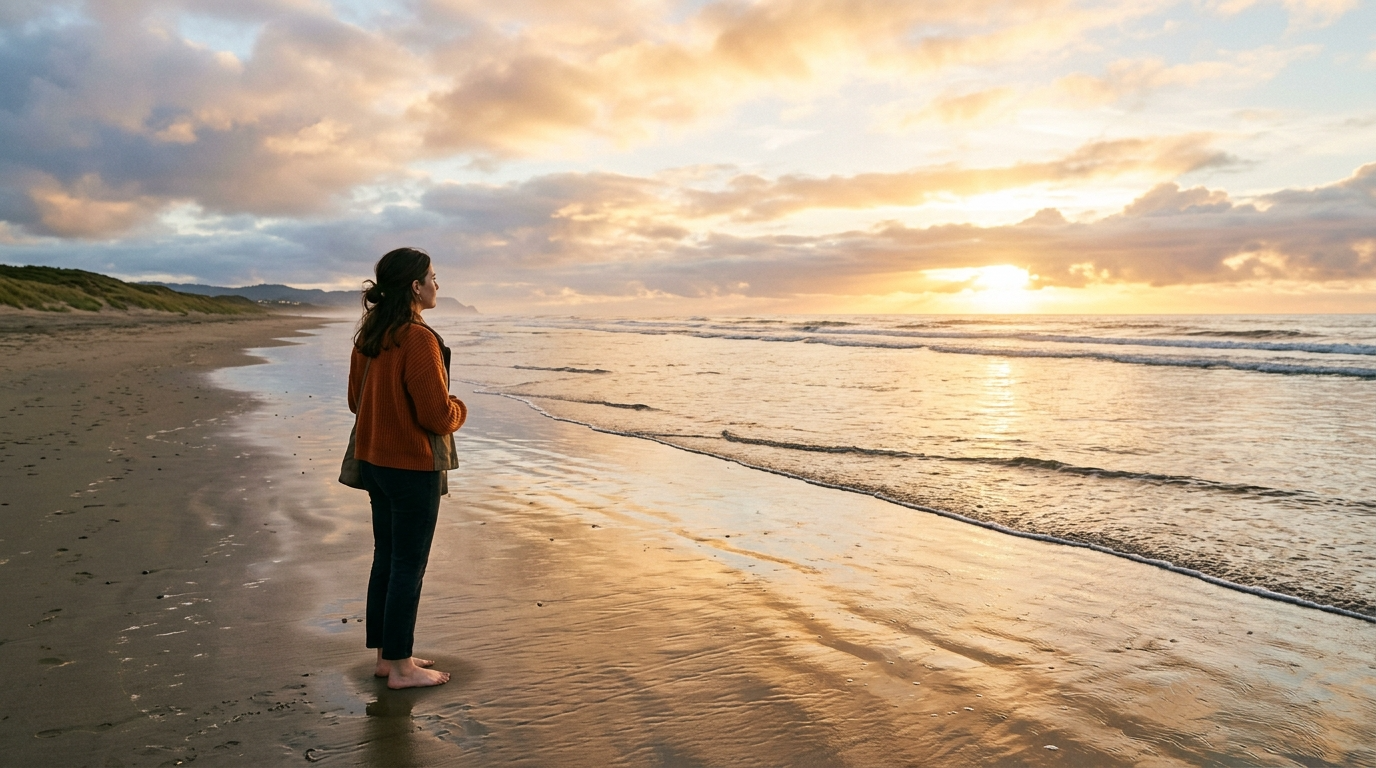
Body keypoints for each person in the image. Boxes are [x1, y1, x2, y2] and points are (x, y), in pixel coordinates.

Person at [347, 247, 467, 689]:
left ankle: (386, 656)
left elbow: (355, 402)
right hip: (411, 467)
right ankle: (400, 668)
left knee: (388, 557)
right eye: (433, 277)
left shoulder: (371, 334)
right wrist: (460, 409)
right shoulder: (418, 338)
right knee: (408, 564)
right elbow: (437, 416)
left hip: (375, 462)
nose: (438, 284)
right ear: (416, 287)